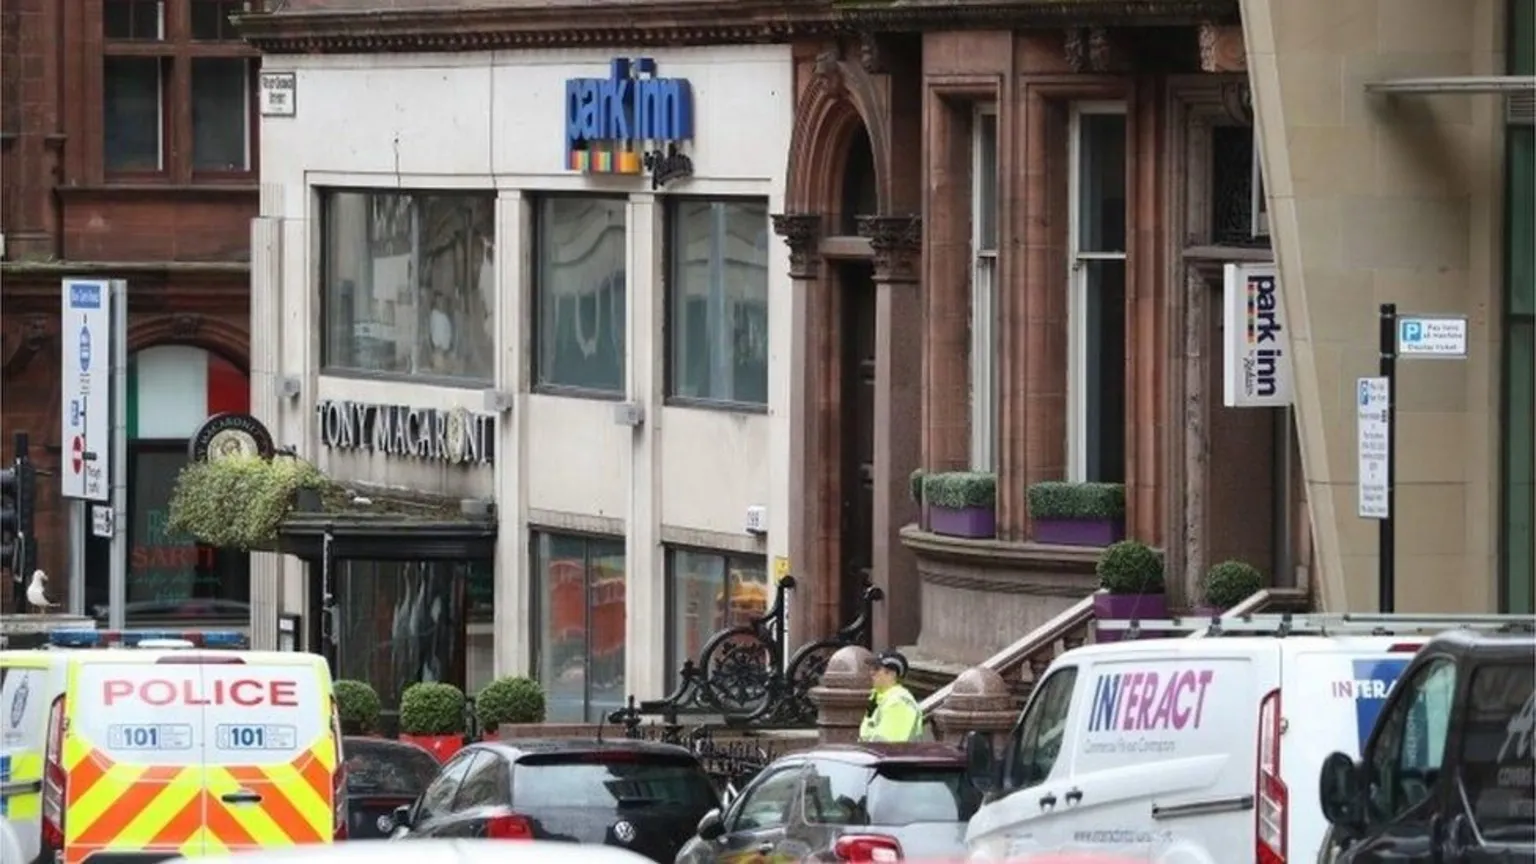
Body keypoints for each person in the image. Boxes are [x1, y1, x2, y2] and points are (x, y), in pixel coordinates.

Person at [858, 650, 923, 743]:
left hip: (892, 756)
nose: (871, 673)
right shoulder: (878, 697)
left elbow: (887, 746)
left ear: (892, 674)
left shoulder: (899, 702)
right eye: (871, 668)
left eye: (876, 669)